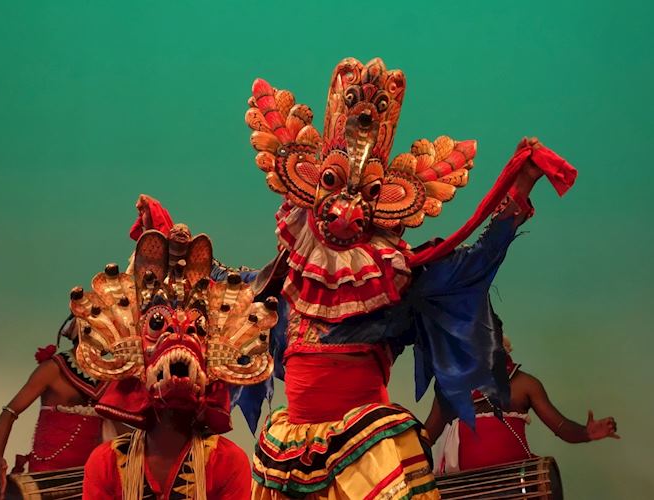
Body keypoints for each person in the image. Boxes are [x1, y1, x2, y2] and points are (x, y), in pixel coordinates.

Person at [238, 57, 578, 498]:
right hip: (293, 449)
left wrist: (519, 190)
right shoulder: (282, 282)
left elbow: (472, 265)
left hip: (366, 451)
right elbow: (226, 303)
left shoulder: (395, 285)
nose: (346, 208)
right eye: (332, 181)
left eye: (368, 194)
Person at [78, 223, 278, 499]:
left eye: (198, 330)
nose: (181, 334)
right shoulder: (107, 464)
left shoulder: (225, 462)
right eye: (160, 326)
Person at [426, 336, 619, 474]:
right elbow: (426, 438)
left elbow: (561, 427)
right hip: (464, 489)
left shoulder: (524, 384)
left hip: (519, 484)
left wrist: (586, 433)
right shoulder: (449, 389)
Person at [0, 315, 109, 500]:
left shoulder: (110, 376)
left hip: (88, 477)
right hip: (46, 478)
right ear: (82, 333)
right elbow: (10, 412)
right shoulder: (52, 369)